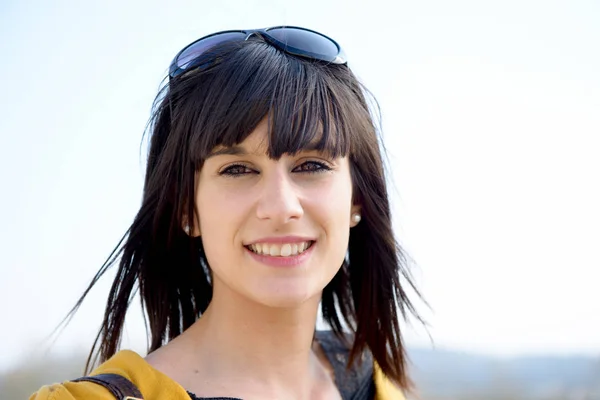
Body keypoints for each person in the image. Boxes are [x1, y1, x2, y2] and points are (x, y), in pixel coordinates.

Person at [30, 26, 422, 400]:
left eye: (311, 166)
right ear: (187, 208)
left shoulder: (376, 382)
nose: (281, 207)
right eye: (237, 169)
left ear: (357, 199)